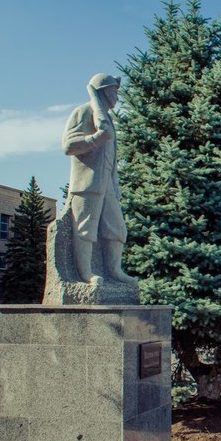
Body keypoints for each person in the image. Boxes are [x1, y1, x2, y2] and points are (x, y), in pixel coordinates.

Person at [62, 73, 135, 286]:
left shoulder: (107, 117)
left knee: (117, 228)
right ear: (103, 91)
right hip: (87, 183)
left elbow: (111, 157)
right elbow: (68, 146)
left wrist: (115, 184)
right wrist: (94, 139)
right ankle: (85, 273)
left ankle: (114, 270)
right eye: (114, 91)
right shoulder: (84, 111)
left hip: (108, 186)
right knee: (85, 228)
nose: (117, 97)